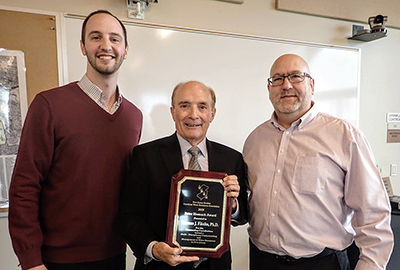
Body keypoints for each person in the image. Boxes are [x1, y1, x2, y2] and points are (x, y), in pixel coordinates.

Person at [8, 10, 143, 270]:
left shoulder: (134, 117)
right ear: (83, 47)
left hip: (115, 256)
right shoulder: (49, 105)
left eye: (115, 39)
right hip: (56, 261)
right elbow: (25, 186)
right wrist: (31, 261)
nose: (106, 45)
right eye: (96, 37)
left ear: (125, 50)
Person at [243, 54, 393, 270]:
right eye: (277, 79)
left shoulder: (344, 136)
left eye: (295, 76)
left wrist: (370, 265)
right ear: (269, 89)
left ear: (311, 85)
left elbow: (373, 212)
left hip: (323, 263)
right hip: (262, 261)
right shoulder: (254, 140)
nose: (286, 85)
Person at [117, 80, 248, 270]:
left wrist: (233, 204)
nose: (193, 115)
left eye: (202, 106)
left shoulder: (231, 158)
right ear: (173, 112)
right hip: (160, 266)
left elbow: (242, 214)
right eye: (184, 106)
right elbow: (128, 216)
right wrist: (153, 249)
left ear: (212, 114)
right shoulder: (145, 156)